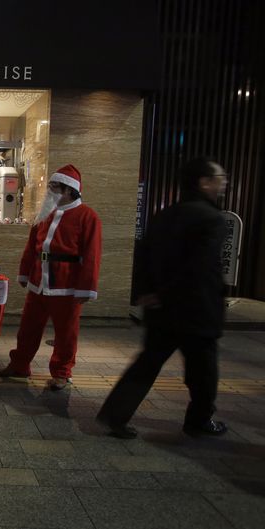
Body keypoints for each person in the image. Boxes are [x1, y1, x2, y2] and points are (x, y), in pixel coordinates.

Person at [97, 158, 229, 439]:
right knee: (203, 372)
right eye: (219, 177)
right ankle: (198, 421)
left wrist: (147, 294)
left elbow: (143, 257)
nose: (224, 182)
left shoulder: (164, 215)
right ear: (204, 182)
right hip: (196, 310)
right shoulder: (213, 218)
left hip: (162, 311)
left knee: (146, 364)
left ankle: (114, 415)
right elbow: (201, 267)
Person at [0, 165, 102, 390]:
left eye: (54, 187)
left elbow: (92, 254)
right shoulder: (44, 213)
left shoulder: (87, 216)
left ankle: (62, 372)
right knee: (28, 327)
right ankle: (20, 364)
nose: (49, 191)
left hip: (66, 285)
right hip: (38, 282)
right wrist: (24, 272)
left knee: (66, 332)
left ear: (70, 190)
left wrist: (85, 288)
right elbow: (31, 247)